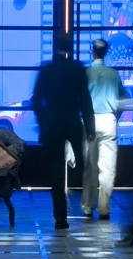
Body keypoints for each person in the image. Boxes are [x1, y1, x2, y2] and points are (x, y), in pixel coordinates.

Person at [32, 31, 95, 229]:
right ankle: (80, 196)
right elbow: (85, 99)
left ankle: (60, 217)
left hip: (52, 125)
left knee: (55, 173)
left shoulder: (48, 70)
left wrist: (43, 120)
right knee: (81, 164)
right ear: (72, 46)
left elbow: (36, 99)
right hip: (72, 122)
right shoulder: (78, 69)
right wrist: (90, 126)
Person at [81, 38, 126, 221]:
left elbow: (80, 100)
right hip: (109, 120)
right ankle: (104, 207)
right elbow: (122, 100)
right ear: (105, 52)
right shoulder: (113, 74)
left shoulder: (86, 73)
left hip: (90, 120)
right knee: (107, 168)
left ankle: (87, 206)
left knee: (90, 166)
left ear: (93, 52)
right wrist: (115, 117)